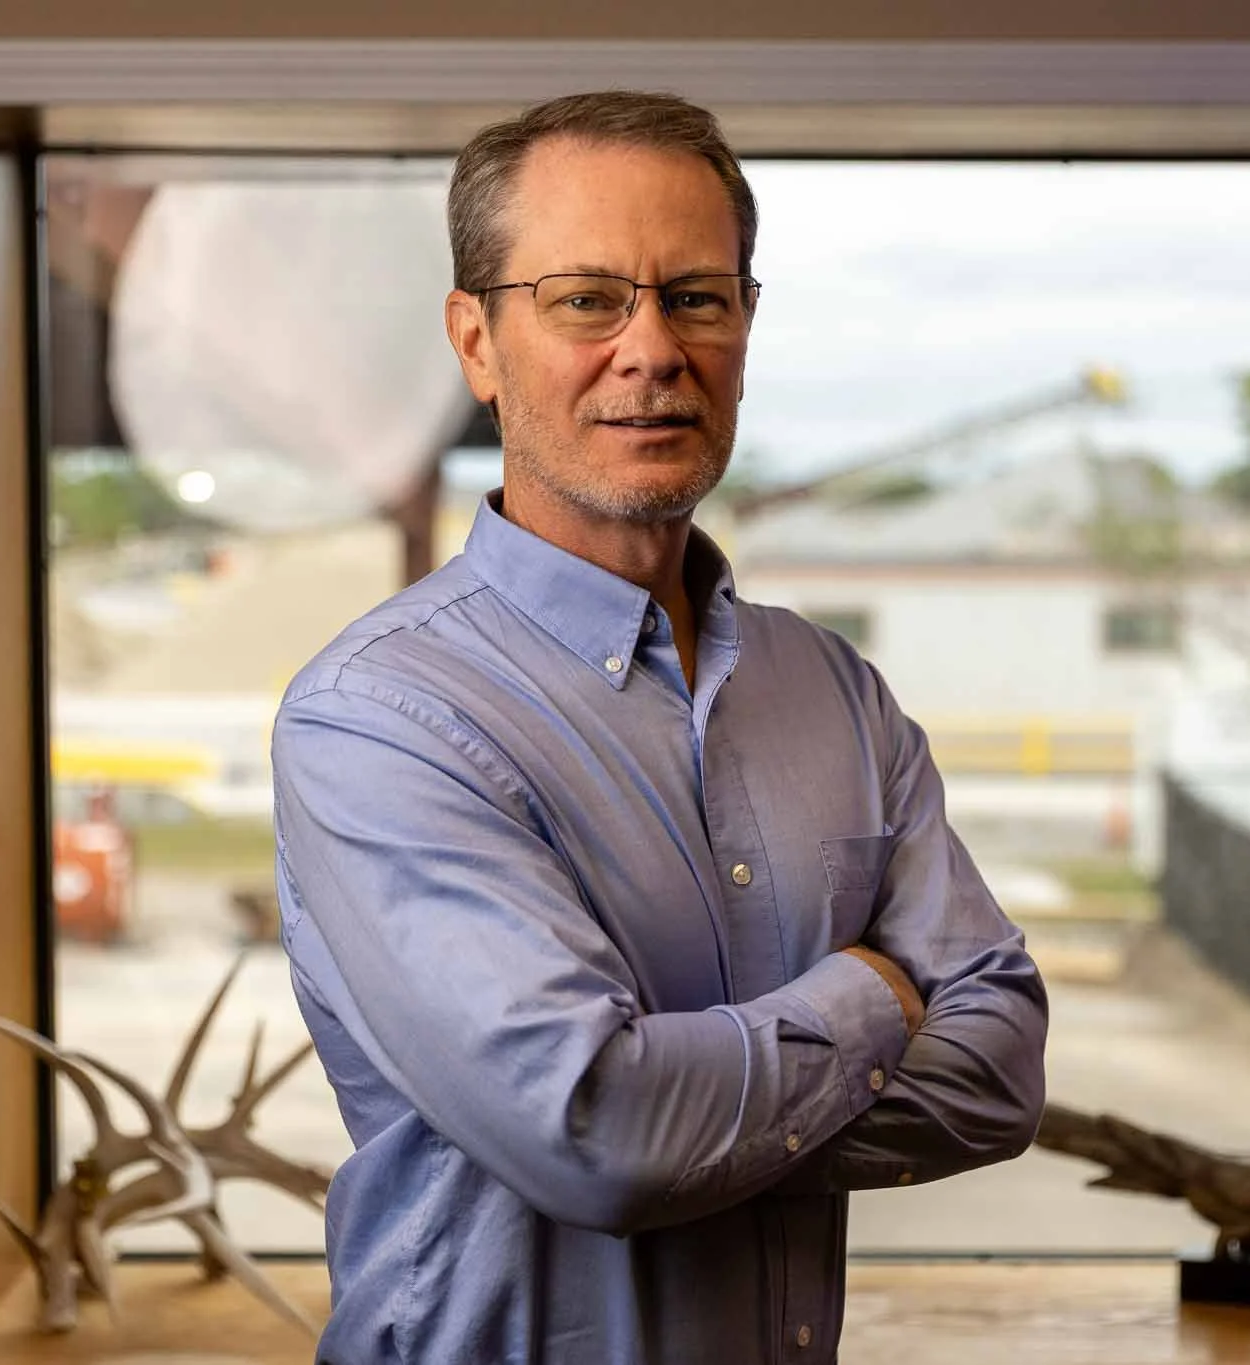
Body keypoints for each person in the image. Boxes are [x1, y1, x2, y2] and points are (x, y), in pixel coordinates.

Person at [272, 90, 1049, 1365]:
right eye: (585, 298)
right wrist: (872, 996)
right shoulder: (378, 719)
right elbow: (599, 1134)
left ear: (745, 325)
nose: (651, 349)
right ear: (476, 341)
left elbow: (1001, 1069)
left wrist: (696, 1111)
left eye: (696, 296)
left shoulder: (833, 691)